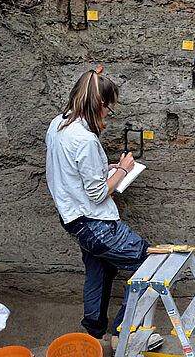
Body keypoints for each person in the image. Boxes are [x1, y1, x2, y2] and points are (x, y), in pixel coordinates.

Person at [45, 69, 163, 352]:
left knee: (98, 272)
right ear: (100, 104)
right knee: (151, 266)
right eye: (110, 108)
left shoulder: (58, 124)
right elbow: (98, 193)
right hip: (97, 223)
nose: (110, 114)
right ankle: (124, 333)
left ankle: (94, 334)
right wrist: (123, 169)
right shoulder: (85, 140)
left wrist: (103, 169)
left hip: (74, 219)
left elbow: (72, 171)